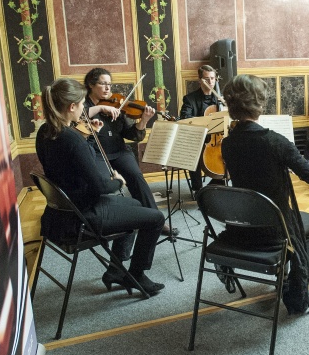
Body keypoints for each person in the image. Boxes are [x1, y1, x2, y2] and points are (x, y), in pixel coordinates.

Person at [36, 78, 166, 295]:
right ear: (71, 107)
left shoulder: (45, 132)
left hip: (61, 212)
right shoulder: (73, 140)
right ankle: (137, 274)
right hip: (84, 216)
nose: (83, 110)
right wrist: (118, 180)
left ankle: (115, 270)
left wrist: (87, 137)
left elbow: (72, 161)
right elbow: (99, 186)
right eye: (81, 105)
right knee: (155, 218)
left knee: (133, 203)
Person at [220, 74, 309, 314]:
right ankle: (296, 288)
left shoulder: (227, 143)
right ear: (259, 104)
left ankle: (290, 273)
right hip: (273, 232)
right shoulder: (275, 141)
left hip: (239, 227)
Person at [83, 68, 176, 237]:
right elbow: (78, 117)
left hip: (119, 151)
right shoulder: (83, 104)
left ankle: (156, 219)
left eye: (109, 84)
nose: (107, 88)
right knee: (102, 184)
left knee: (136, 176)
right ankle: (105, 221)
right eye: (103, 84)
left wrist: (144, 120)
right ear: (91, 84)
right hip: (96, 154)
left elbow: (132, 135)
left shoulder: (117, 104)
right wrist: (100, 108)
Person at [180, 65, 225, 193]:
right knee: (192, 152)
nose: (210, 82)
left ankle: (217, 183)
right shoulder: (190, 99)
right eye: (206, 79)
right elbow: (185, 118)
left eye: (212, 78)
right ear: (200, 80)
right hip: (198, 138)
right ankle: (198, 188)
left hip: (218, 138)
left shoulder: (220, 99)